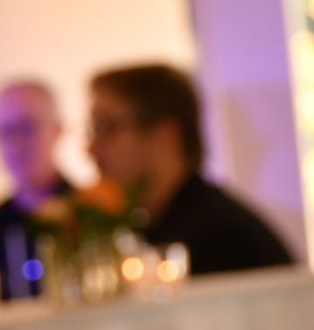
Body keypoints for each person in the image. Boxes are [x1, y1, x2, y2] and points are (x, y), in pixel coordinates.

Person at [86, 64, 294, 276]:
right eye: (92, 130)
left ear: (164, 136)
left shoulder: (217, 237)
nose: (90, 149)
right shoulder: (160, 224)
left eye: (105, 127)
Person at [0, 79, 75, 299]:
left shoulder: (96, 216)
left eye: (28, 128)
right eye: (5, 132)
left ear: (57, 130)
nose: (17, 145)